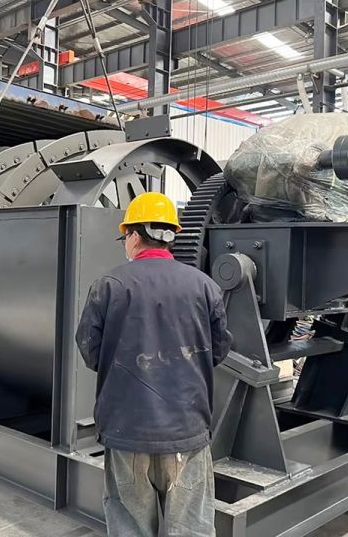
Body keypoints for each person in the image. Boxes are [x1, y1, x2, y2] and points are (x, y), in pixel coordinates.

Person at [75, 192, 232, 537]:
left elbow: (90, 350)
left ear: (134, 235)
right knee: (191, 529)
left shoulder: (109, 286)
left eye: (125, 237)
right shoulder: (205, 286)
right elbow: (219, 349)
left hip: (127, 430)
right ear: (170, 235)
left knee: (130, 526)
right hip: (187, 430)